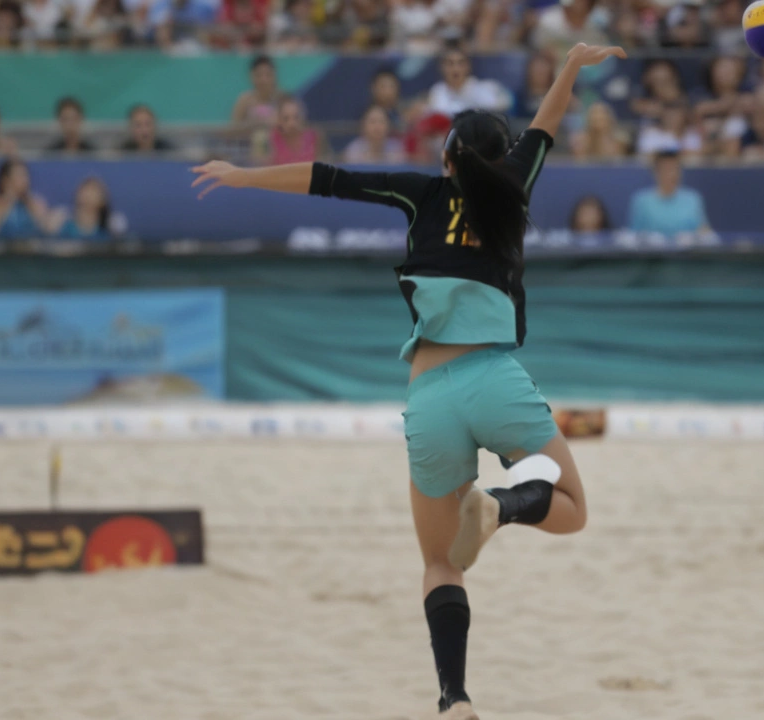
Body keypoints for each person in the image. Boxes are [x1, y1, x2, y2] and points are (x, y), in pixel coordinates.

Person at [189, 41, 627, 720]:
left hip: (429, 397)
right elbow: (547, 121)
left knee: (441, 564)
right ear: (498, 158)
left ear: (448, 157)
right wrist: (570, 67)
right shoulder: (513, 190)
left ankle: (454, 697)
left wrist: (242, 174)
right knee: (570, 505)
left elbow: (327, 177)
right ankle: (504, 508)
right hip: (494, 376)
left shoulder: (421, 191)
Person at [629, 151, 709, 235]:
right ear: (655, 172)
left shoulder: (693, 198)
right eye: (666, 169)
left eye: (675, 169)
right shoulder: (641, 200)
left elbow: (704, 231)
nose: (672, 174)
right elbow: (634, 235)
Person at [426, 46, 511, 119]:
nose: (455, 69)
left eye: (460, 63)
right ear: (442, 67)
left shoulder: (483, 88)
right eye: (450, 64)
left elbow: (501, 106)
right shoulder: (437, 91)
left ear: (468, 66)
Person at [0, 159, 52, 241]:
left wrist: (29, 204)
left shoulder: (36, 201)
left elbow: (45, 231)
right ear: (5, 180)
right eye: (19, 176)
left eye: (26, 175)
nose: (25, 180)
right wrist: (7, 201)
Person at [53, 177, 126, 241]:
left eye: (93, 189)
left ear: (103, 201)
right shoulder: (62, 226)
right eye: (85, 188)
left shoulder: (109, 232)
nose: (88, 193)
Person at [253, 97, 322, 165]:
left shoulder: (313, 136)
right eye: (286, 119)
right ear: (278, 120)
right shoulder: (273, 138)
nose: (292, 124)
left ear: (302, 117)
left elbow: (324, 162)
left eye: (296, 117)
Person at [231, 55, 284, 133]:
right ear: (252, 76)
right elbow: (233, 129)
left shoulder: (282, 99)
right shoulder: (244, 100)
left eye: (268, 75)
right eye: (259, 75)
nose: (263, 80)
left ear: (274, 76)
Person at [635, 101, 703, 159]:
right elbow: (646, 156)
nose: (672, 119)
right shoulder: (651, 133)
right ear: (663, 116)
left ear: (684, 117)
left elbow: (701, 155)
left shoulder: (692, 133)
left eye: (676, 115)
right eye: (669, 116)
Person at [342, 106, 407, 165]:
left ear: (388, 126)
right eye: (372, 122)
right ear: (363, 126)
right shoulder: (353, 151)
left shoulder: (396, 149)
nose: (377, 127)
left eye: (381, 121)